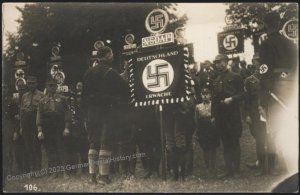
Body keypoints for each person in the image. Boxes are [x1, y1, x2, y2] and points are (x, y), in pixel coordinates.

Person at [82, 46, 129, 184]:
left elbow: (83, 97)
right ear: (108, 55)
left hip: (91, 113)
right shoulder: (111, 73)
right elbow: (125, 91)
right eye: (112, 53)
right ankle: (104, 177)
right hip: (108, 112)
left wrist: (86, 114)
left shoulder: (88, 73)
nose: (113, 56)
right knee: (106, 142)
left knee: (93, 143)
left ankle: (92, 176)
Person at [259, 12, 298, 175]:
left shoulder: (266, 44)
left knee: (279, 132)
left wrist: (262, 100)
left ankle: (292, 171)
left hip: (276, 91)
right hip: (293, 89)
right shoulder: (291, 44)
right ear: (279, 23)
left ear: (266, 25)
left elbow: (264, 72)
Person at [211, 54, 243, 179]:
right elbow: (214, 100)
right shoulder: (216, 80)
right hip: (221, 115)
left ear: (226, 62)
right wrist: (213, 115)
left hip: (232, 113)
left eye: (221, 62)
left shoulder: (236, 76)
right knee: (225, 142)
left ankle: (237, 169)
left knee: (234, 140)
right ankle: (229, 170)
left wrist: (232, 98)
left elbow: (243, 93)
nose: (219, 64)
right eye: (217, 63)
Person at [36, 77, 71, 180]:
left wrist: (67, 127)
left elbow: (67, 114)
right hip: (48, 127)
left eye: (54, 85)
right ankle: (54, 173)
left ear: (57, 86)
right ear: (46, 87)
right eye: (50, 85)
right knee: (51, 150)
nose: (52, 87)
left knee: (62, 149)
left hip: (59, 126)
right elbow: (39, 116)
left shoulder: (63, 99)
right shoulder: (42, 101)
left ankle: (65, 172)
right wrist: (40, 130)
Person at [244, 53, 268, 176]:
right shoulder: (249, 80)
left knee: (269, 137)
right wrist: (247, 114)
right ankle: (261, 165)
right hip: (254, 113)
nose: (258, 63)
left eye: (260, 60)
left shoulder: (269, 77)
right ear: (253, 62)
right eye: (256, 61)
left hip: (268, 111)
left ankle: (268, 166)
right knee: (258, 138)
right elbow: (247, 99)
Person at [20, 76, 44, 173]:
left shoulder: (41, 95)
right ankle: (31, 169)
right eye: (29, 83)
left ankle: (38, 169)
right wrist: (21, 126)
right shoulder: (24, 96)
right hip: (26, 124)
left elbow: (42, 111)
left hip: (36, 123)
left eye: (33, 83)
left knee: (37, 147)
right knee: (28, 146)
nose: (31, 85)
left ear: (36, 84)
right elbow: (21, 112)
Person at [195, 88, 220, 178]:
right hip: (203, 128)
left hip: (212, 127)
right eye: (203, 94)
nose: (205, 96)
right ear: (201, 95)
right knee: (205, 147)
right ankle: (207, 166)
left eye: (207, 94)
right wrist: (197, 131)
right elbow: (196, 120)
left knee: (213, 147)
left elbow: (217, 116)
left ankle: (212, 166)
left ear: (210, 95)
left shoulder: (214, 105)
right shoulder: (198, 106)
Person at [7, 84, 27, 175]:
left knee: (27, 149)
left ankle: (28, 169)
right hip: (17, 129)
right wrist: (15, 131)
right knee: (18, 150)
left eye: (23, 89)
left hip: (27, 129)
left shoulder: (27, 100)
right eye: (20, 89)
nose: (21, 91)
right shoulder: (14, 102)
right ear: (18, 90)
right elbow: (10, 117)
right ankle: (20, 169)